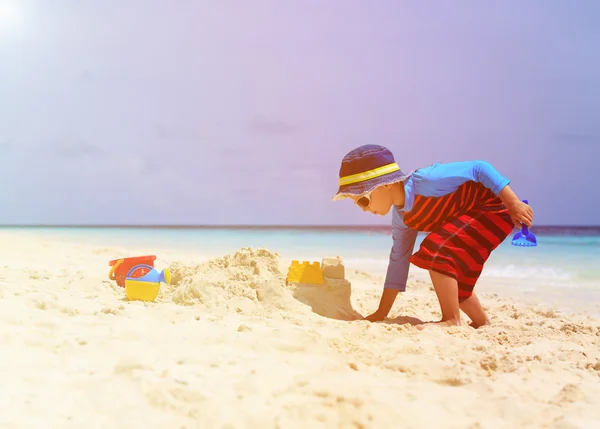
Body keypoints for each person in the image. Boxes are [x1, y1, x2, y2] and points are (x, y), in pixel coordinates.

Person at [332, 144, 534, 328]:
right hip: (470, 219)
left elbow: (479, 168)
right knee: (458, 281)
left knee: (437, 251)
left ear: (386, 184)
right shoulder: (402, 218)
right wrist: (381, 312)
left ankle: (451, 320)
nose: (364, 210)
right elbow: (398, 261)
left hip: (492, 208)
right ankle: (481, 322)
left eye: (363, 201)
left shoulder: (427, 180)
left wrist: (512, 202)